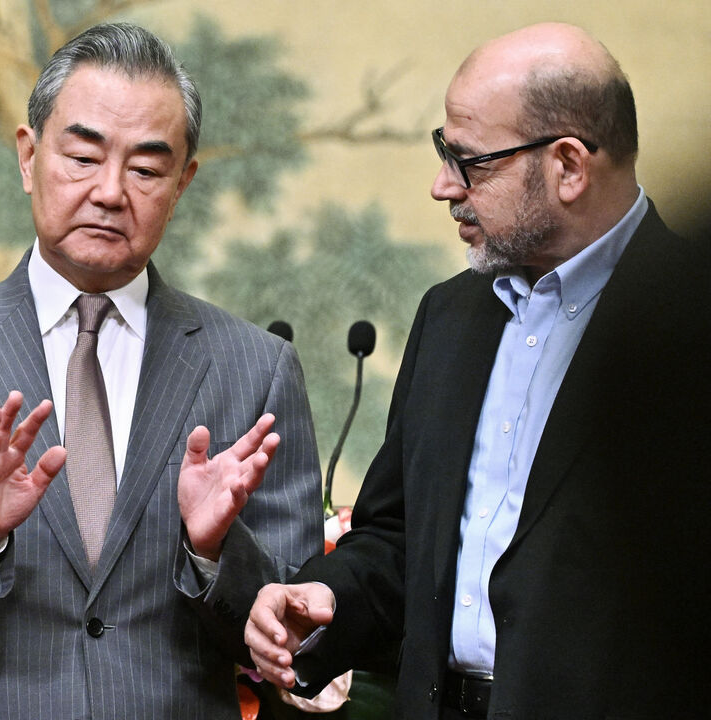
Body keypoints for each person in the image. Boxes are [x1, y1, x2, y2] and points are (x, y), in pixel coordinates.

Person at [0, 22, 321, 719]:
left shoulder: (255, 367)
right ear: (28, 156)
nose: (111, 191)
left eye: (145, 169)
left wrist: (211, 551)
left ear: (182, 183)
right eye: (82, 156)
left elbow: (301, 631)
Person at [245, 22, 711, 720]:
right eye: (444, 154)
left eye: (471, 161)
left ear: (569, 166)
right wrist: (330, 596)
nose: (442, 186)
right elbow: (400, 535)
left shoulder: (685, 328)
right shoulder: (450, 316)